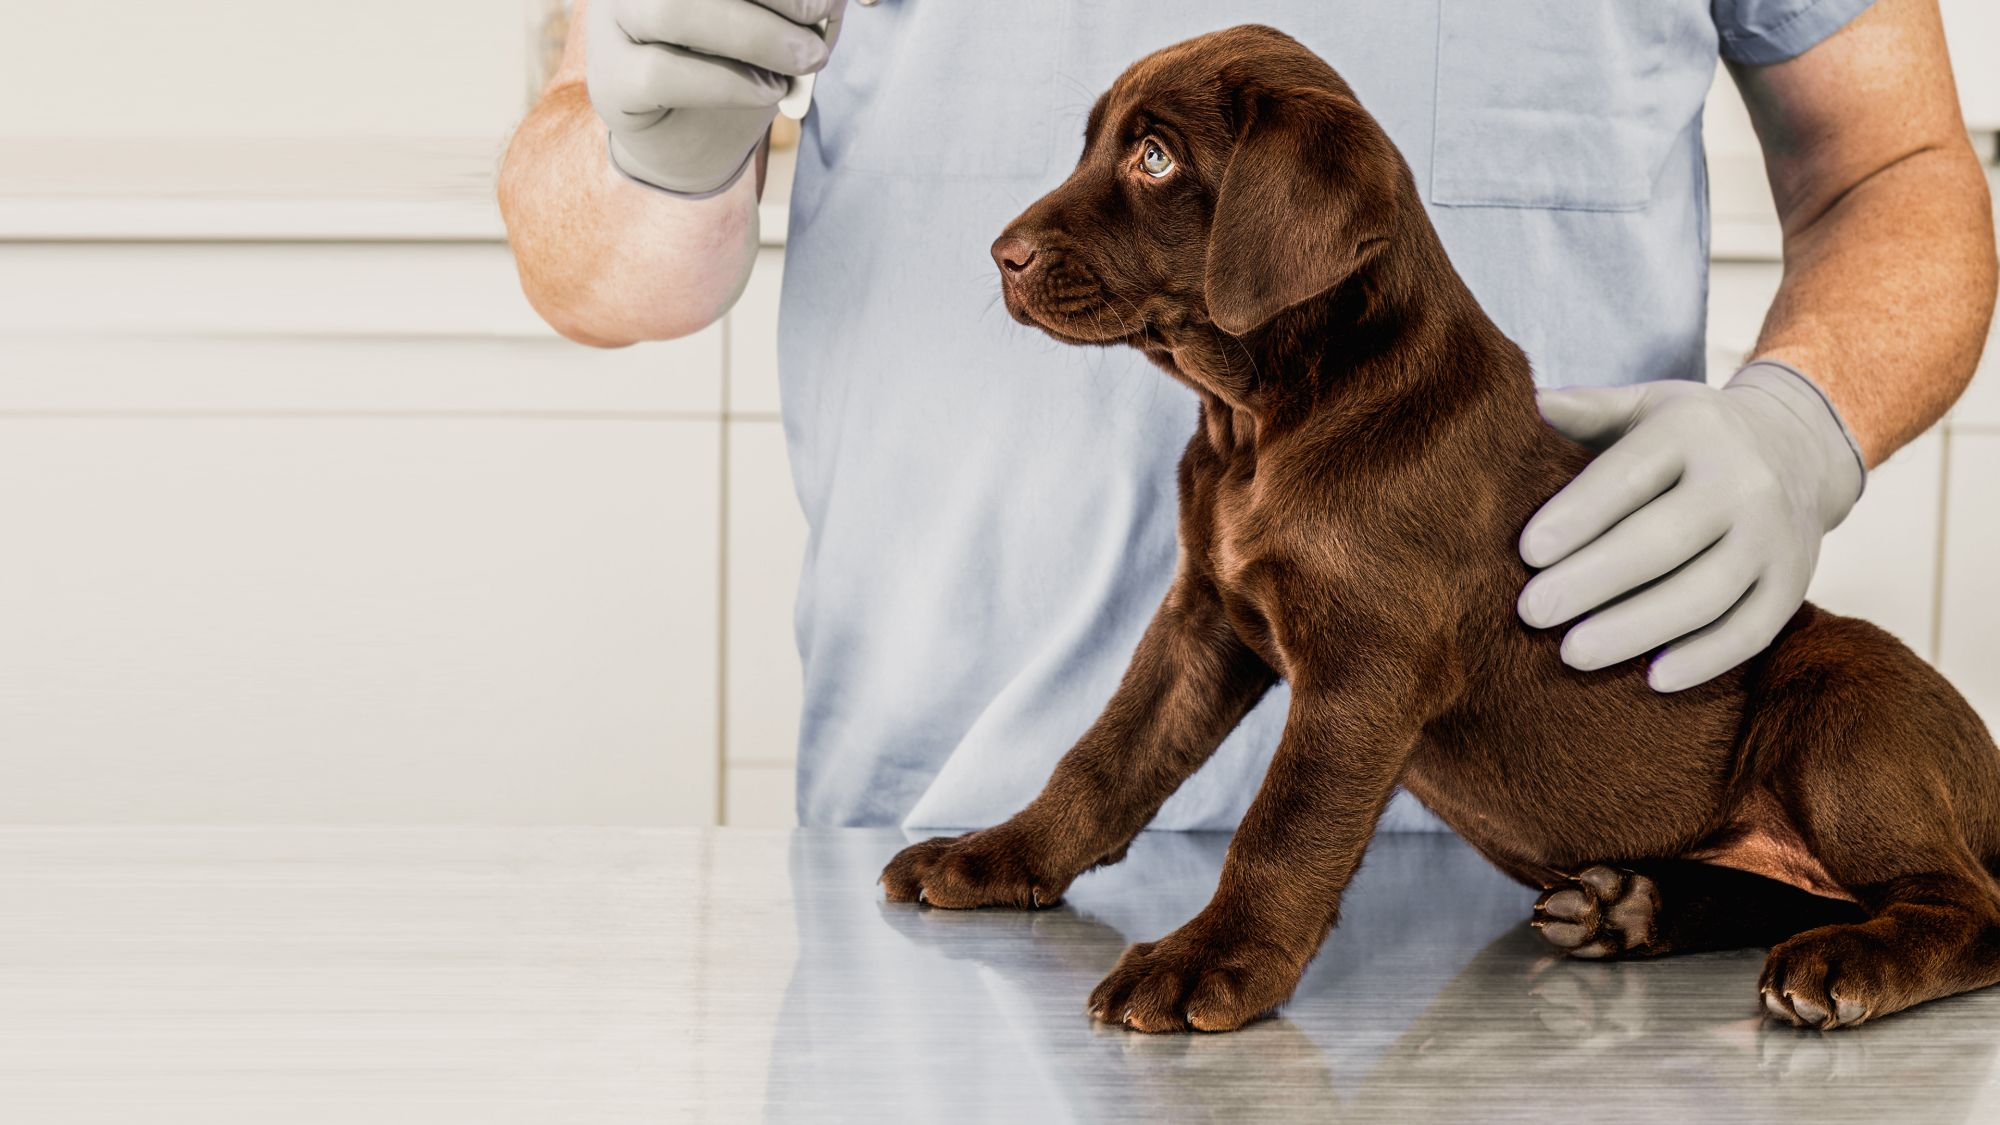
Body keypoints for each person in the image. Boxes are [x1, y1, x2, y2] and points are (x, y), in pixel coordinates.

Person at [500, 0, 1996, 830]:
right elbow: (597, 275)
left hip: (1568, 874)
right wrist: (655, 142)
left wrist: (1807, 420)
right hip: (957, 827)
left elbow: (1899, 169)